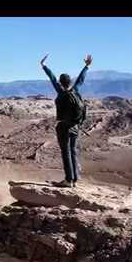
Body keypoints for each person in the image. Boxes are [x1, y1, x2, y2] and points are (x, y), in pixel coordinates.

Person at [40, 53, 93, 188]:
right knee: (73, 151)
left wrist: (44, 66)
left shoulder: (61, 92)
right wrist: (86, 66)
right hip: (75, 126)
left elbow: (52, 78)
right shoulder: (75, 91)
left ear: (61, 82)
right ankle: (74, 180)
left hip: (64, 127)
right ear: (69, 82)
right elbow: (81, 80)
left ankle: (68, 180)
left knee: (66, 153)